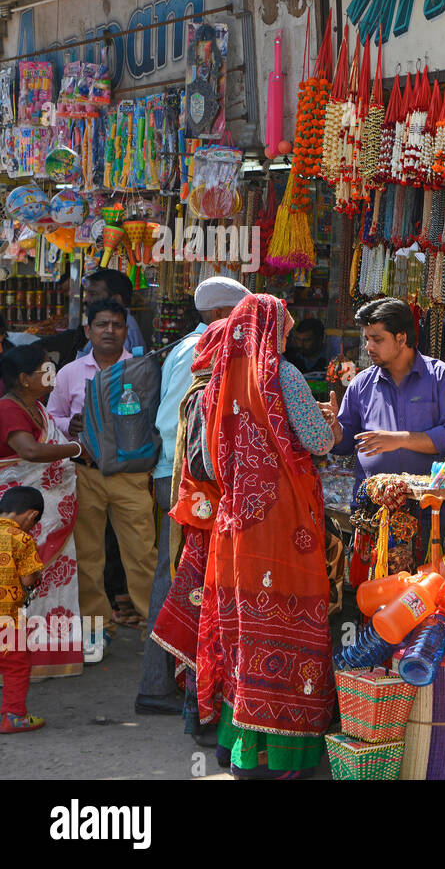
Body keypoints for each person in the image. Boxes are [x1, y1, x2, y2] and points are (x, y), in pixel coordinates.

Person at [196, 294, 341, 778]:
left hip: (236, 520)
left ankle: (237, 746)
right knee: (287, 620)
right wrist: (333, 424)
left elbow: (211, 452)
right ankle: (280, 755)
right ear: (271, 330)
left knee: (243, 626)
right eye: (283, 328)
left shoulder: (218, 376)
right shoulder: (283, 375)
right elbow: (318, 441)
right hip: (283, 521)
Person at [136, 276, 249, 716]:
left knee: (187, 577)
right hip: (184, 477)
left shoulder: (187, 346)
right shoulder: (206, 350)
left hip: (176, 473)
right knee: (180, 579)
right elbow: (183, 424)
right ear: (224, 314)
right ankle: (160, 685)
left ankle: (183, 686)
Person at [49, 299, 157, 664]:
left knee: (142, 556)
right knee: (88, 557)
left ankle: (155, 631)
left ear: (126, 331)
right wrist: (70, 426)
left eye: (116, 324)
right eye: (101, 324)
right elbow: (51, 417)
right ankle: (96, 630)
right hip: (85, 473)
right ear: (88, 331)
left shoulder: (141, 370)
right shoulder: (70, 373)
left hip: (130, 476)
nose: (108, 330)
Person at [150, 318, 229, 746]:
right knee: (203, 611)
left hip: (200, 517)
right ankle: (199, 710)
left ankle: (196, 711)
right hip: (207, 520)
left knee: (198, 607)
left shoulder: (201, 391)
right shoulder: (209, 395)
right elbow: (207, 466)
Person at [0, 348, 83, 679]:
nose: (52, 377)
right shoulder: (8, 409)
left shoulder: (34, 407)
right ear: (24, 379)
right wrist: (77, 449)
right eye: (45, 371)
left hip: (46, 519)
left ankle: (44, 659)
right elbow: (30, 451)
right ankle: (16, 662)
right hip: (21, 517)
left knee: (46, 588)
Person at [330, 298, 445, 494]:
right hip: (371, 508)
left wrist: (400, 439)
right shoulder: (361, 384)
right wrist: (334, 429)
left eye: (377, 340)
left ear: (401, 339)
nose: (369, 347)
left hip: (426, 508)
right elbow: (344, 444)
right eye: (367, 339)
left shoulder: (442, 378)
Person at [0, 486, 48, 733]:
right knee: (15, 666)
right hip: (7, 619)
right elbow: (28, 580)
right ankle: (13, 716)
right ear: (31, 515)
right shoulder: (22, 539)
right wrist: (37, 572)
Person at [78, 270, 145, 357]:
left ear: (116, 300)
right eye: (86, 294)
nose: (85, 300)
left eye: (93, 294)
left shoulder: (120, 330)